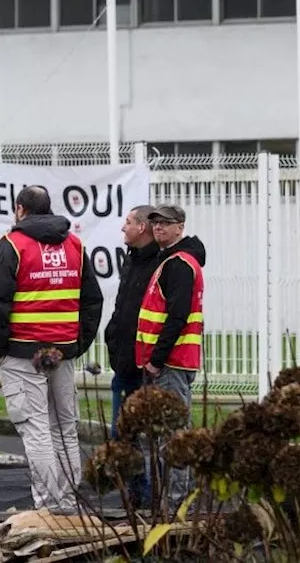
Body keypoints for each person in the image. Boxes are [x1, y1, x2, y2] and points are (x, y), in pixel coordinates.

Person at [0, 185, 104, 514]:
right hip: (61, 352)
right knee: (64, 427)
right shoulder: (74, 245)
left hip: (23, 353)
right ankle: (67, 502)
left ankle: (48, 506)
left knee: (35, 428)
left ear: (20, 209)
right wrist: (77, 344)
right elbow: (92, 299)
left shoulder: (12, 245)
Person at [134, 204, 207, 512]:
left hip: (171, 363)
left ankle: (179, 507)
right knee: (169, 435)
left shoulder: (178, 264)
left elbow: (176, 316)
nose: (159, 228)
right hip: (171, 362)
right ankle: (176, 503)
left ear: (180, 227)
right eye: (156, 223)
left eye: (166, 223)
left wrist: (156, 359)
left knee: (175, 436)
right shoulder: (171, 260)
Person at [104, 205, 165, 434]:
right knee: (121, 436)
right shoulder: (131, 260)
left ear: (141, 227)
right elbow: (123, 307)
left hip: (146, 366)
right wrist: (112, 336)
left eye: (128, 222)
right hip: (123, 362)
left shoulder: (160, 263)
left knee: (143, 437)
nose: (123, 227)